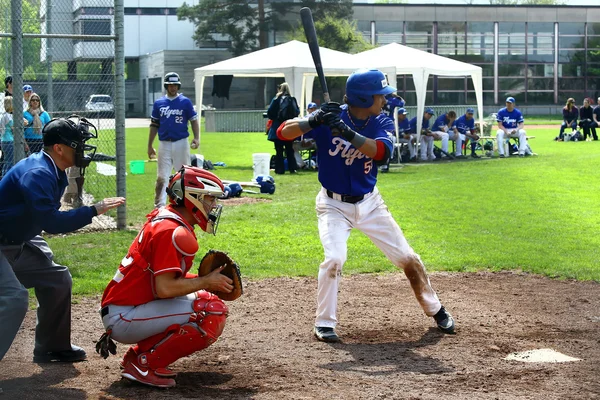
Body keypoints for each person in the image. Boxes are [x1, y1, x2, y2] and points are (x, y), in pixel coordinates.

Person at [278, 68, 455, 343]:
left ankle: (435, 308)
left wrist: (347, 133)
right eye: (379, 96)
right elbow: (281, 132)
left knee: (408, 258)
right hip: (333, 205)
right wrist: (314, 120)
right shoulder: (329, 119)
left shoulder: (381, 121)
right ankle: (324, 323)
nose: (384, 100)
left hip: (371, 204)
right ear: (362, 99)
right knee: (334, 259)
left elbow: (382, 153)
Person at [0, 115, 125, 363]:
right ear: (59, 148)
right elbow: (52, 222)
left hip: (13, 241)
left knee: (58, 279)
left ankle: (51, 347)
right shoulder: (37, 172)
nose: (83, 148)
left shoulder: (52, 168)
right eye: (78, 143)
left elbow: (36, 217)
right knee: (14, 298)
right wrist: (93, 210)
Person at [98, 166, 233, 388]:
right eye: (210, 199)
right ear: (193, 198)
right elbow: (165, 289)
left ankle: (138, 357)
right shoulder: (172, 231)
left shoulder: (169, 219)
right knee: (209, 310)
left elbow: (166, 278)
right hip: (124, 315)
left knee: (208, 299)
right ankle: (144, 363)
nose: (214, 205)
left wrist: (207, 281)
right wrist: (205, 282)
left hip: (128, 306)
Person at [148, 72, 199, 208]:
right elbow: (154, 125)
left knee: (182, 175)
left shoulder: (185, 102)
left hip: (181, 142)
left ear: (179, 86)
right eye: (170, 85)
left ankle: (182, 204)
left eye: (175, 85)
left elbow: (194, 121)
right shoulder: (159, 103)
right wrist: (150, 145)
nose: (173, 88)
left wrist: (196, 138)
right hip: (164, 143)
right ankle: (159, 206)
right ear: (166, 86)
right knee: (162, 177)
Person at [266, 82, 300, 174]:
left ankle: (279, 169)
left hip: (278, 127)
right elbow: (297, 112)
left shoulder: (276, 99)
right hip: (289, 127)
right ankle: (293, 168)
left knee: (279, 150)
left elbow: (270, 112)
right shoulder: (292, 99)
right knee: (290, 149)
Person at [0, 96, 29, 177]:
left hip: (5, 140)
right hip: (8, 141)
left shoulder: (8, 115)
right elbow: (15, 126)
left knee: (8, 161)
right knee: (10, 162)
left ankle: (5, 177)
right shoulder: (7, 116)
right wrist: (21, 122)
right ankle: (6, 177)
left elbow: (26, 122)